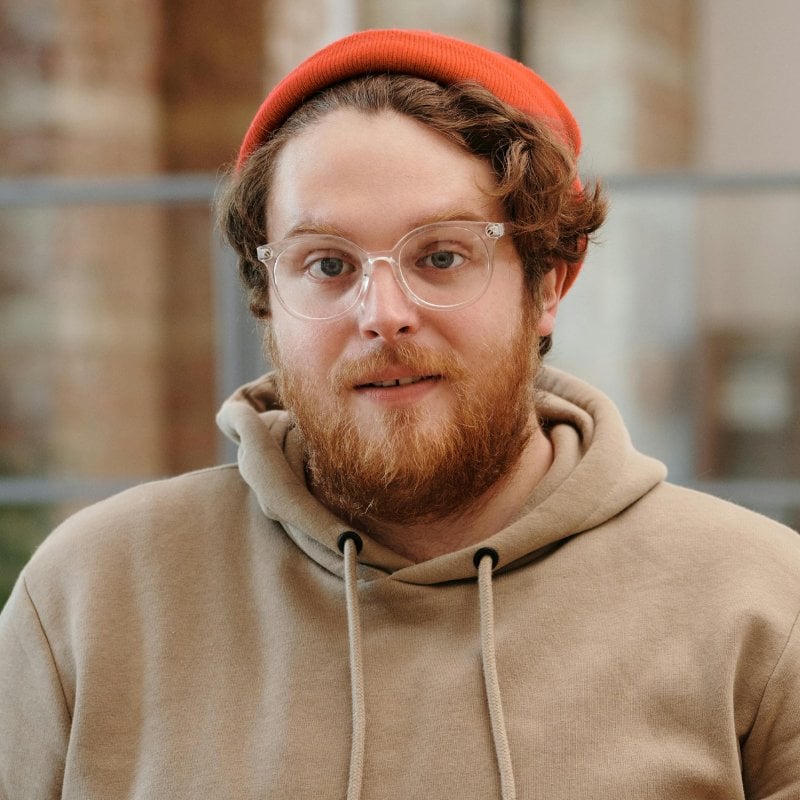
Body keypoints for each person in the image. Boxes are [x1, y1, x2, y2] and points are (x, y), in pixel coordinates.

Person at [1, 28, 798, 800]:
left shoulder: (762, 607)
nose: (383, 314)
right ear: (267, 298)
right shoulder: (89, 598)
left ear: (549, 282)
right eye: (326, 263)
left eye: (442, 256)